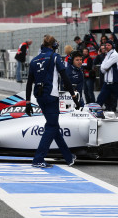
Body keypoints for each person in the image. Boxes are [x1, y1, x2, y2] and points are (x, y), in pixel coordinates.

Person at [25, 35, 80, 168]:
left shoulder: (34, 60)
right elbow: (65, 78)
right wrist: (73, 96)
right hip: (51, 96)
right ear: (54, 45)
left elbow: (29, 83)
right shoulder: (56, 57)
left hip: (39, 96)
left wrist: (27, 102)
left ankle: (68, 157)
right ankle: (38, 158)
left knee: (53, 125)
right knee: (52, 126)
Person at [94, 44, 117, 111]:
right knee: (104, 92)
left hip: (110, 76)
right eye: (101, 49)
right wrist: (98, 55)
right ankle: (107, 106)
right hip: (103, 76)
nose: (103, 50)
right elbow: (95, 62)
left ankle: (113, 107)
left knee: (112, 92)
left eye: (104, 48)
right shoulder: (101, 56)